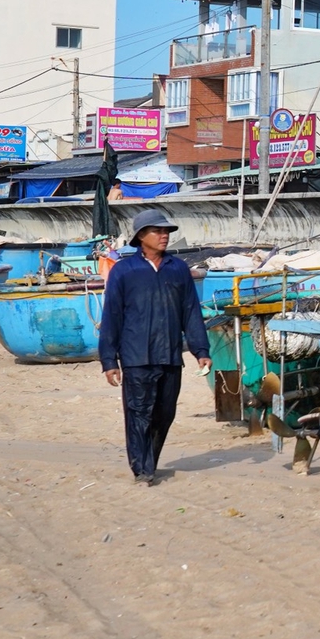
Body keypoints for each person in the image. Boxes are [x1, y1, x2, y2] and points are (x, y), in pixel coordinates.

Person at [98, 208, 210, 485]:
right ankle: (142, 469)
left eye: (166, 232)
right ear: (140, 237)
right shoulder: (124, 271)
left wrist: (201, 350)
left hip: (170, 355)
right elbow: (112, 316)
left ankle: (150, 461)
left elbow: (190, 311)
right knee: (138, 412)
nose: (164, 236)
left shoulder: (178, 269)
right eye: (157, 231)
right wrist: (109, 360)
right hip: (136, 356)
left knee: (164, 413)